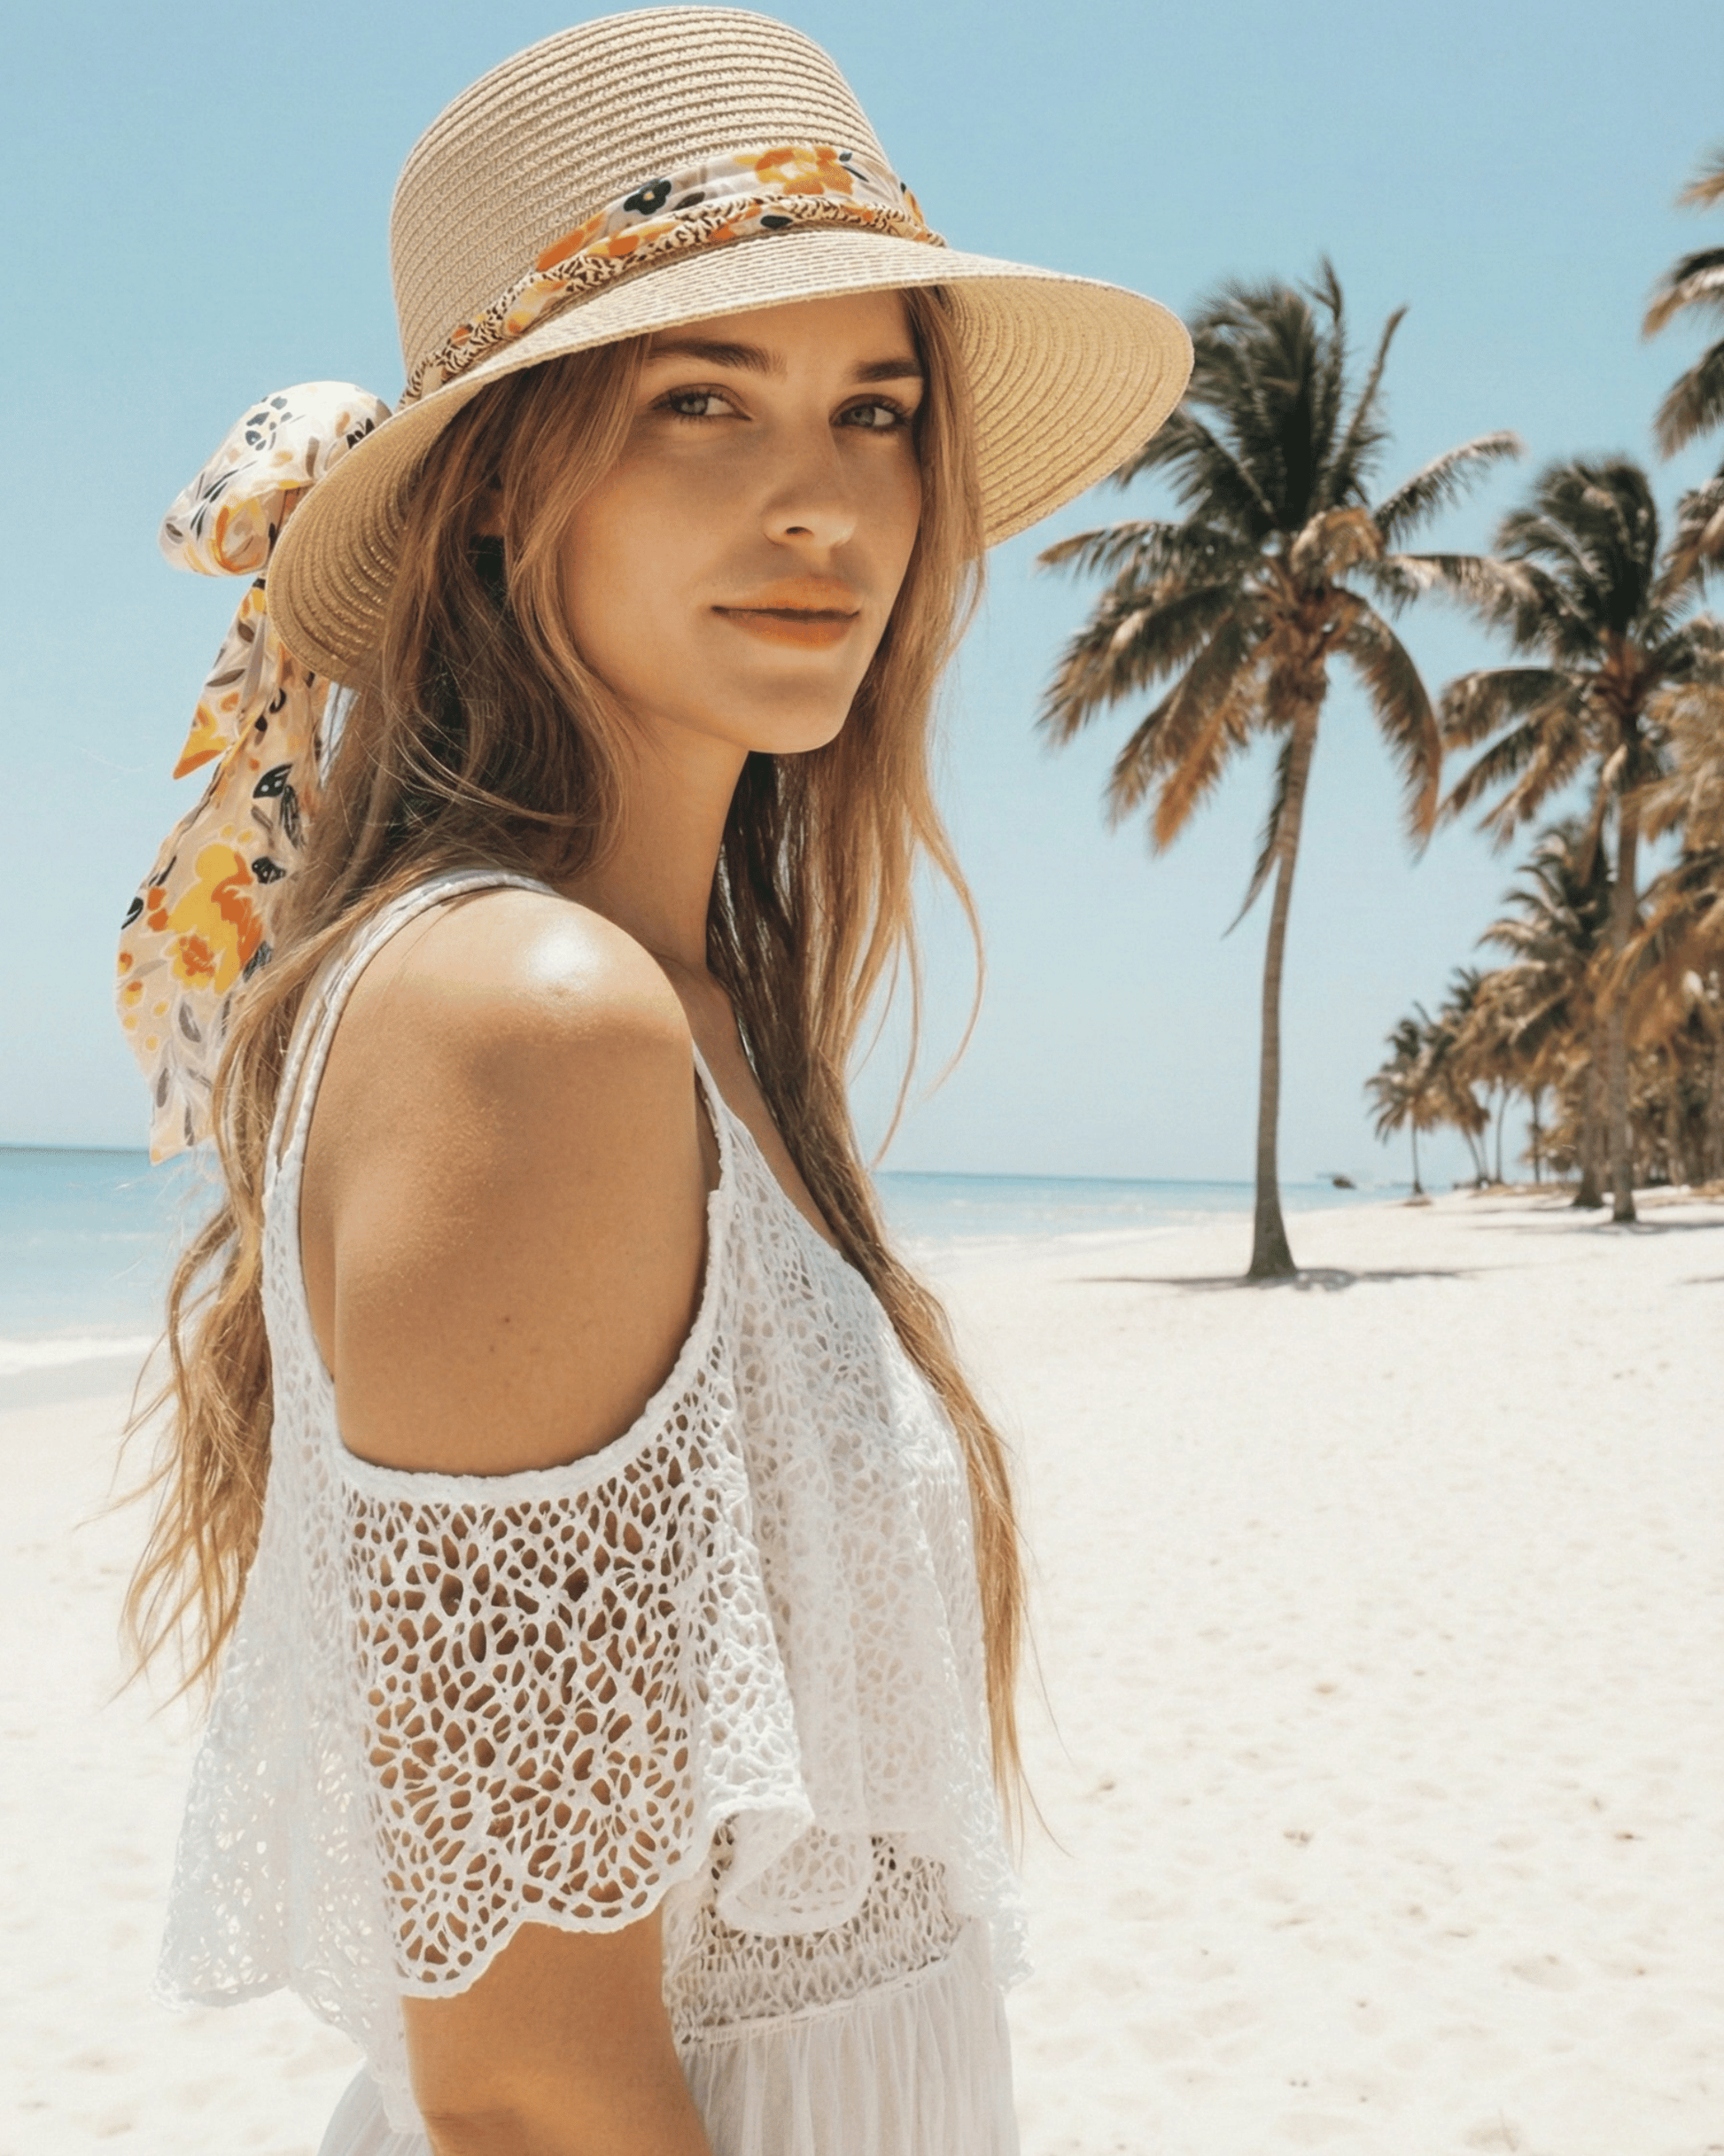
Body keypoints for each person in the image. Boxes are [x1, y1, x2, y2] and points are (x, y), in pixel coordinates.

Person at [116, 12, 1190, 2154]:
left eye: (875, 411)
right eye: (702, 401)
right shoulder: (530, 1017)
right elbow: (522, 2080)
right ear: (504, 482)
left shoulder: (692, 1015)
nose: (822, 503)